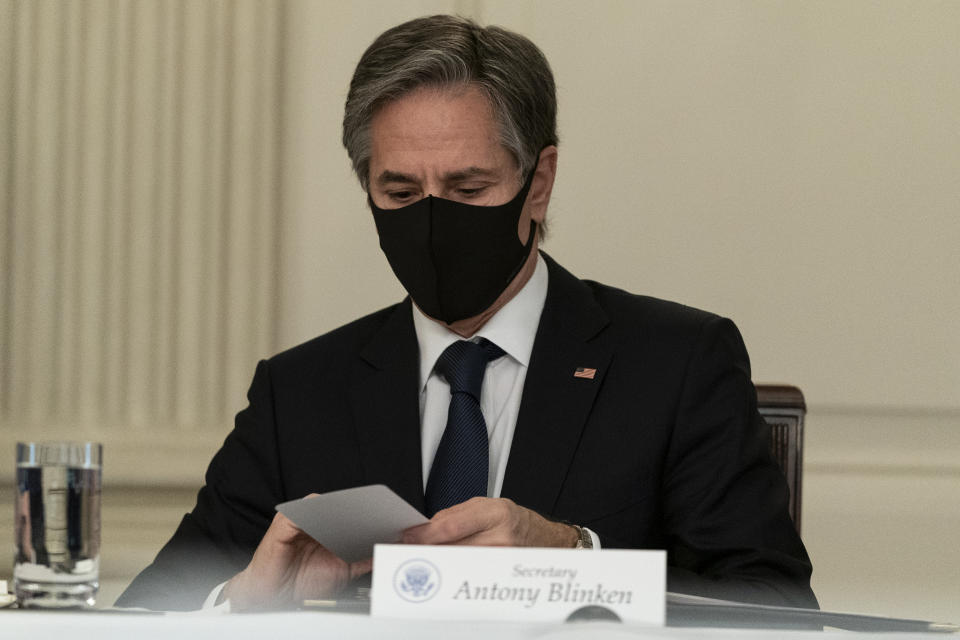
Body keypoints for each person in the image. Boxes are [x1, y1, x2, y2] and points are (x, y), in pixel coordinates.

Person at [117, 15, 817, 612]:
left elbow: (776, 607)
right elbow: (144, 615)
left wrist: (578, 560)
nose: (431, 221)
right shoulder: (300, 391)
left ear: (537, 184)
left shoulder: (675, 363)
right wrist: (243, 601)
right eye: (399, 192)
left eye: (467, 187)